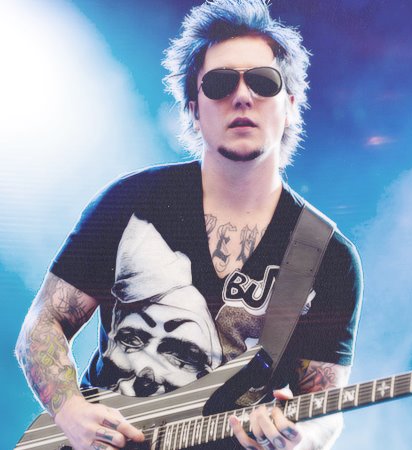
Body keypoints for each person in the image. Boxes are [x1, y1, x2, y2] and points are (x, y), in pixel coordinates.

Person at [15, 0, 363, 449]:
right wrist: (70, 411)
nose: (242, 96)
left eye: (263, 81)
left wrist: (299, 439)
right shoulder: (133, 202)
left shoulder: (329, 257)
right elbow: (42, 324)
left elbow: (325, 408)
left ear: (290, 105)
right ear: (195, 108)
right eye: (220, 83)